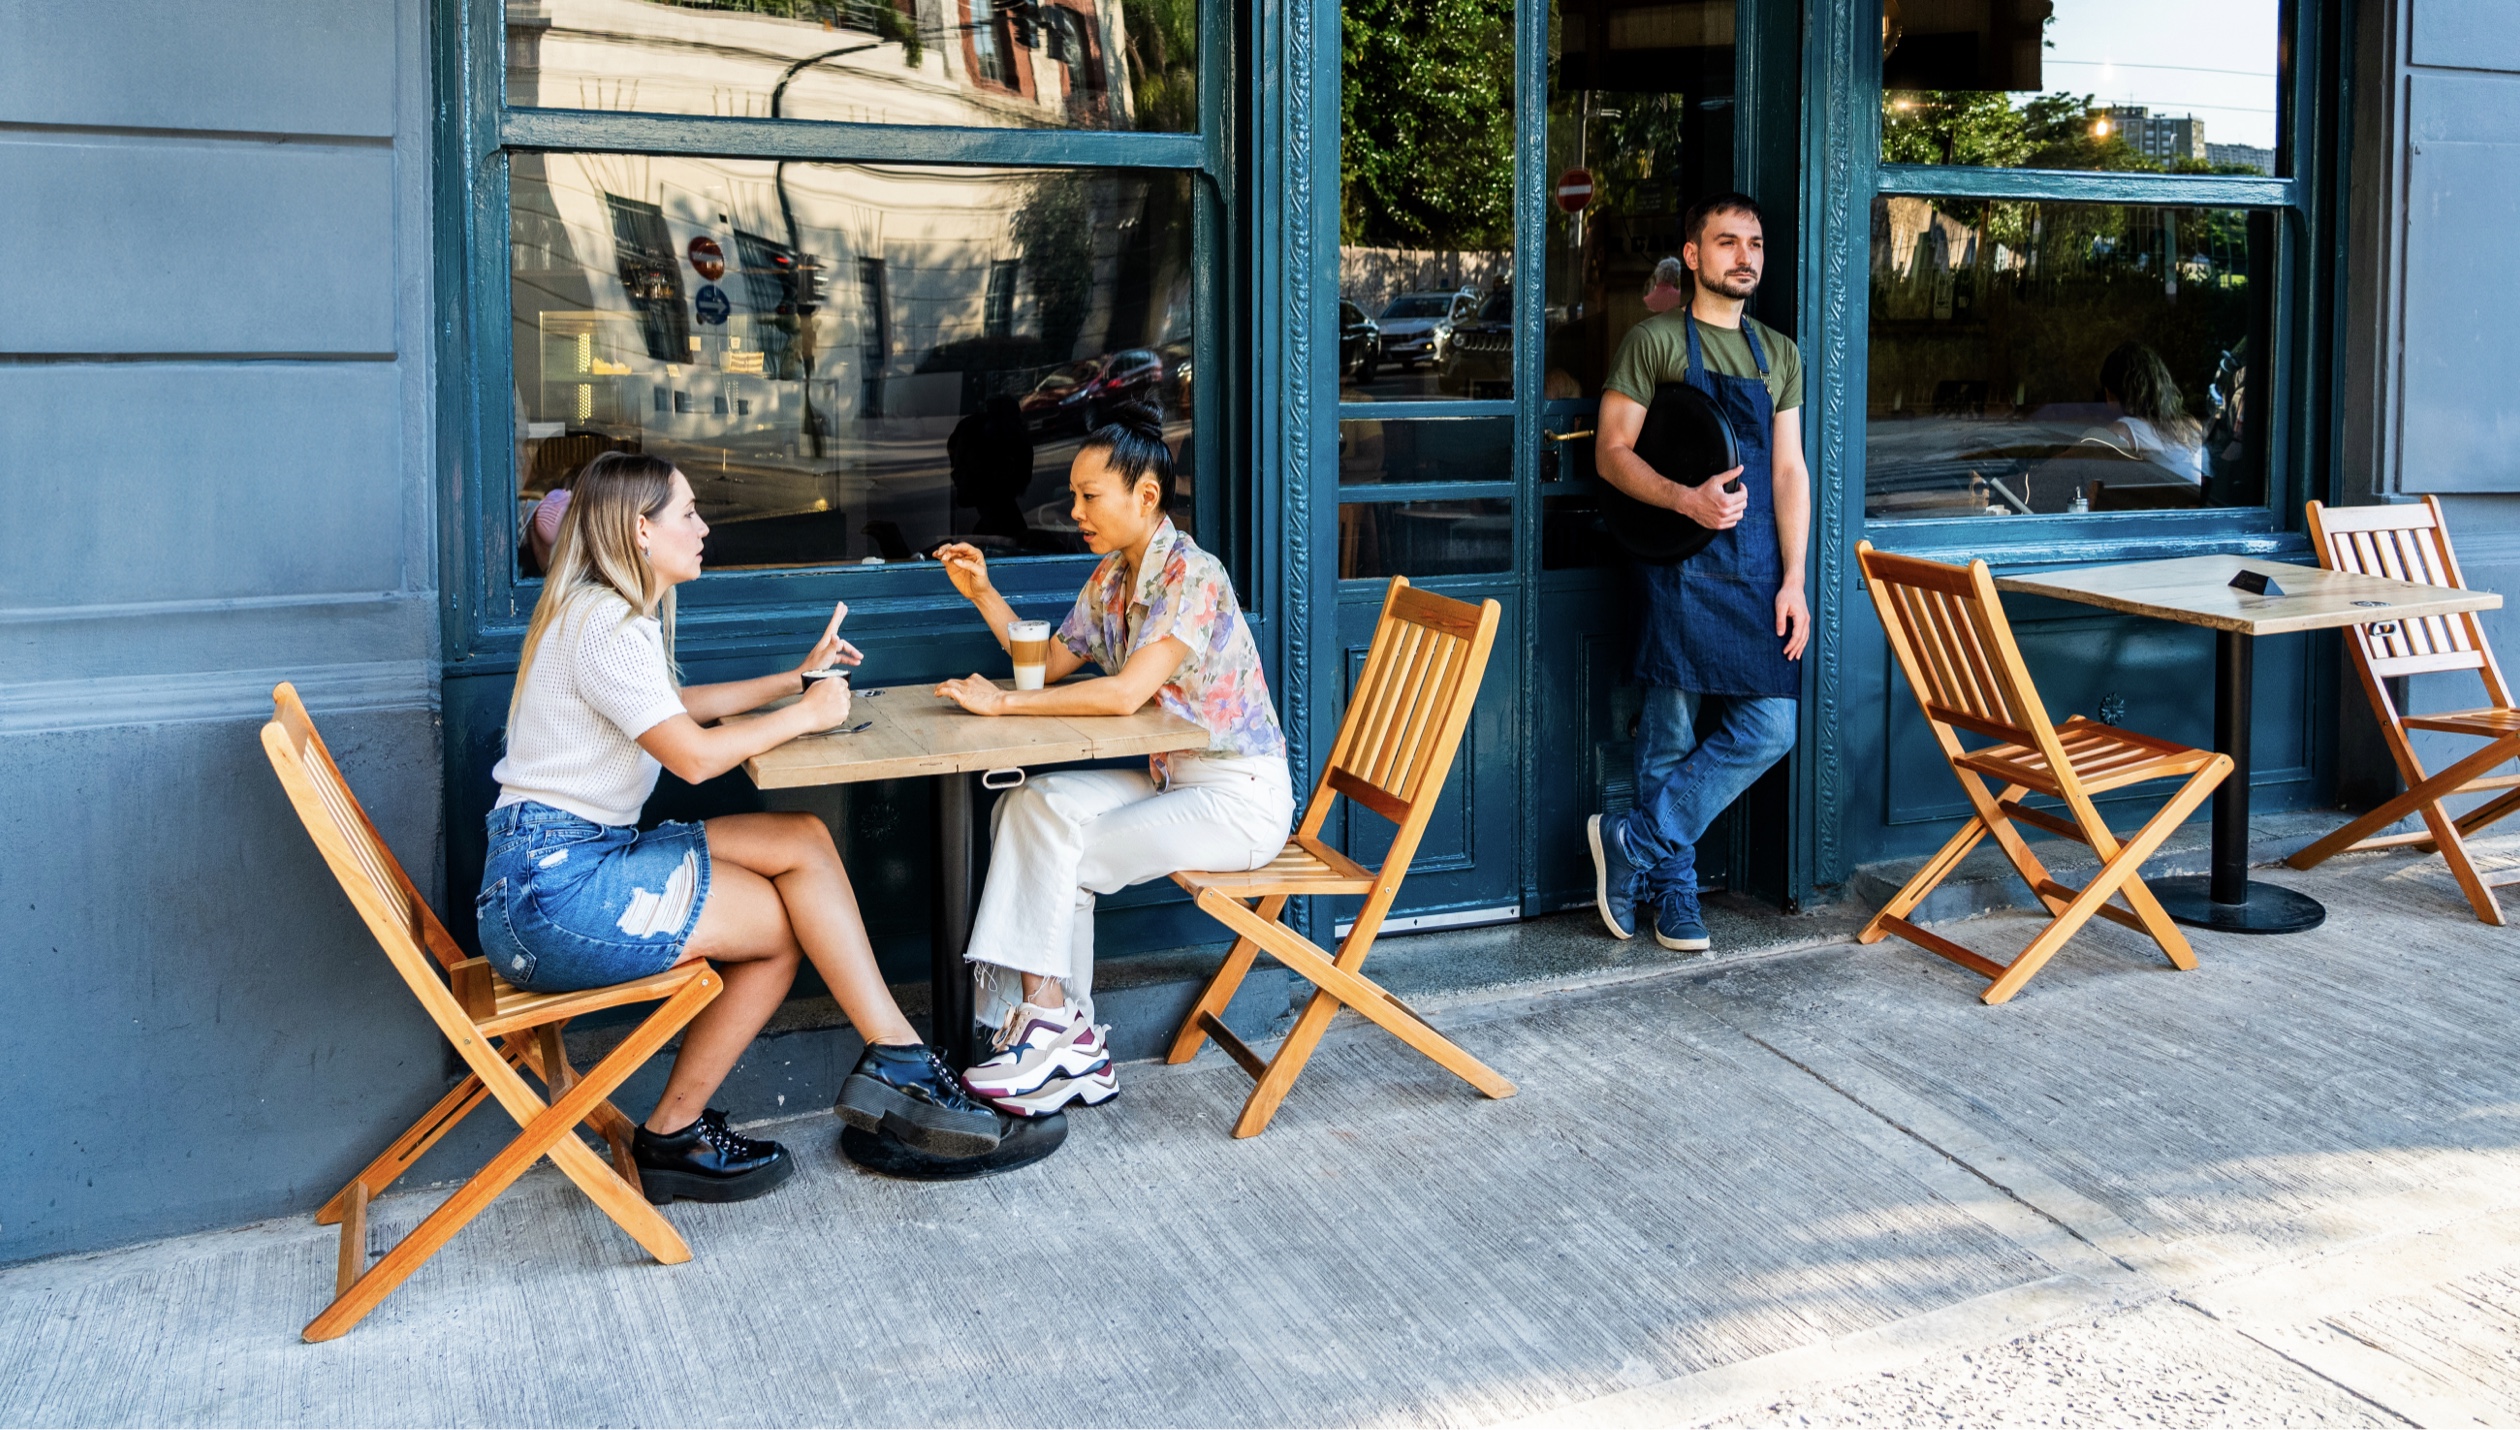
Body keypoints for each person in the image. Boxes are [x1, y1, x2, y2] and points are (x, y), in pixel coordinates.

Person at [479, 451, 1002, 1199]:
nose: (703, 527)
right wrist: (804, 715)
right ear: (639, 529)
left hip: (561, 869)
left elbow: (674, 710)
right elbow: (691, 758)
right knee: (782, 928)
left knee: (801, 840)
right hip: (553, 898)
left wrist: (796, 678)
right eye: (687, 513)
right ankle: (678, 1136)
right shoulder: (606, 624)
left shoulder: (603, 611)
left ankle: (897, 1059)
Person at [931, 402, 1293, 1116]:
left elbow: (1126, 694)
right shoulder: (1113, 579)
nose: (1074, 511)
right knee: (1031, 803)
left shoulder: (1193, 575)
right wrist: (984, 594)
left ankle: (1053, 1034)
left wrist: (1001, 706)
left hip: (1236, 796)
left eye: (1089, 496)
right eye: (1073, 496)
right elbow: (1047, 665)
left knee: (1064, 853)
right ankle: (1068, 1040)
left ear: (1146, 497)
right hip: (1169, 776)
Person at [1586, 193, 1812, 954]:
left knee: (1771, 727)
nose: (1743, 256)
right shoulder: (1652, 341)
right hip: (1676, 564)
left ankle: (1635, 844)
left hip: (1752, 572)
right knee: (1670, 734)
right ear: (1693, 255)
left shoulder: (1776, 354)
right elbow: (1611, 453)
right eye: (1726, 242)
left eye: (1753, 242)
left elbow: (1787, 471)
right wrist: (1686, 499)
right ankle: (1673, 892)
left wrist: (1795, 579)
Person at [2086, 340, 2206, 483]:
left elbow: (2077, 460)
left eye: (2107, 394)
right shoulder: (2192, 428)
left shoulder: (2127, 429)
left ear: (2111, 394)